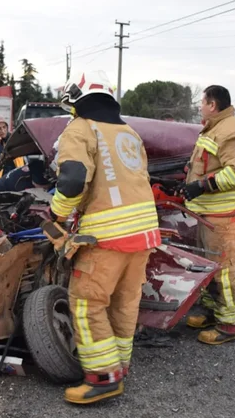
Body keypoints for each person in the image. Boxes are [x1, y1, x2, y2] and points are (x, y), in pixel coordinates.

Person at [49, 70, 161, 404]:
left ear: (76, 98)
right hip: (143, 233)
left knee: (86, 303)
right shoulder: (129, 133)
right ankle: (119, 366)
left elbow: (71, 180)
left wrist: (56, 215)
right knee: (125, 302)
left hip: (106, 238)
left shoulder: (80, 129)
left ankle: (102, 378)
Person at [179, 85, 235, 345]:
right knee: (209, 266)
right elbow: (208, 162)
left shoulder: (231, 130)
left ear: (213, 105)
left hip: (225, 214)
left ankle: (229, 324)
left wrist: (200, 186)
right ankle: (212, 312)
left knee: (222, 269)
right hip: (210, 213)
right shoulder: (214, 127)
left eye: (203, 102)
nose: (200, 106)